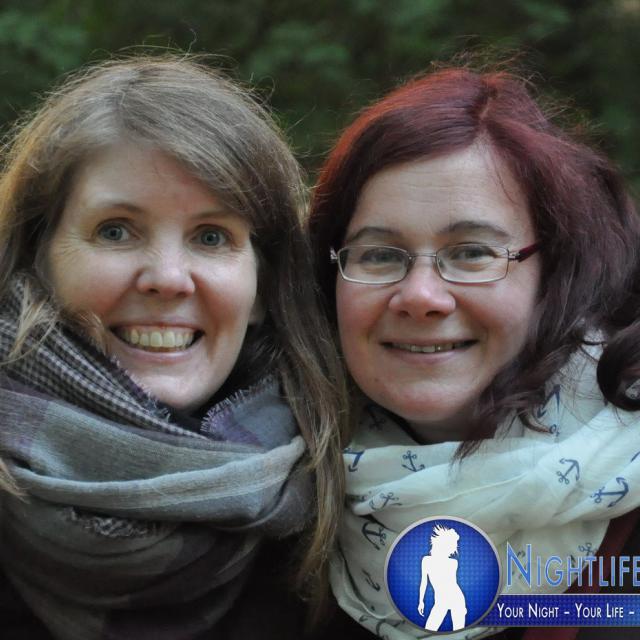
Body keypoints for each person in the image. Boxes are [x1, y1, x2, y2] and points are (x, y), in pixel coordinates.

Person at [0, 55, 345, 640]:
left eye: (211, 237)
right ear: (39, 261)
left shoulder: (359, 528)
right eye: (115, 230)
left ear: (263, 287)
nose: (168, 278)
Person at [309, 65, 640, 640]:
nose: (420, 297)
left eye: (470, 253)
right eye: (379, 255)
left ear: (556, 276)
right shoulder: (280, 507)